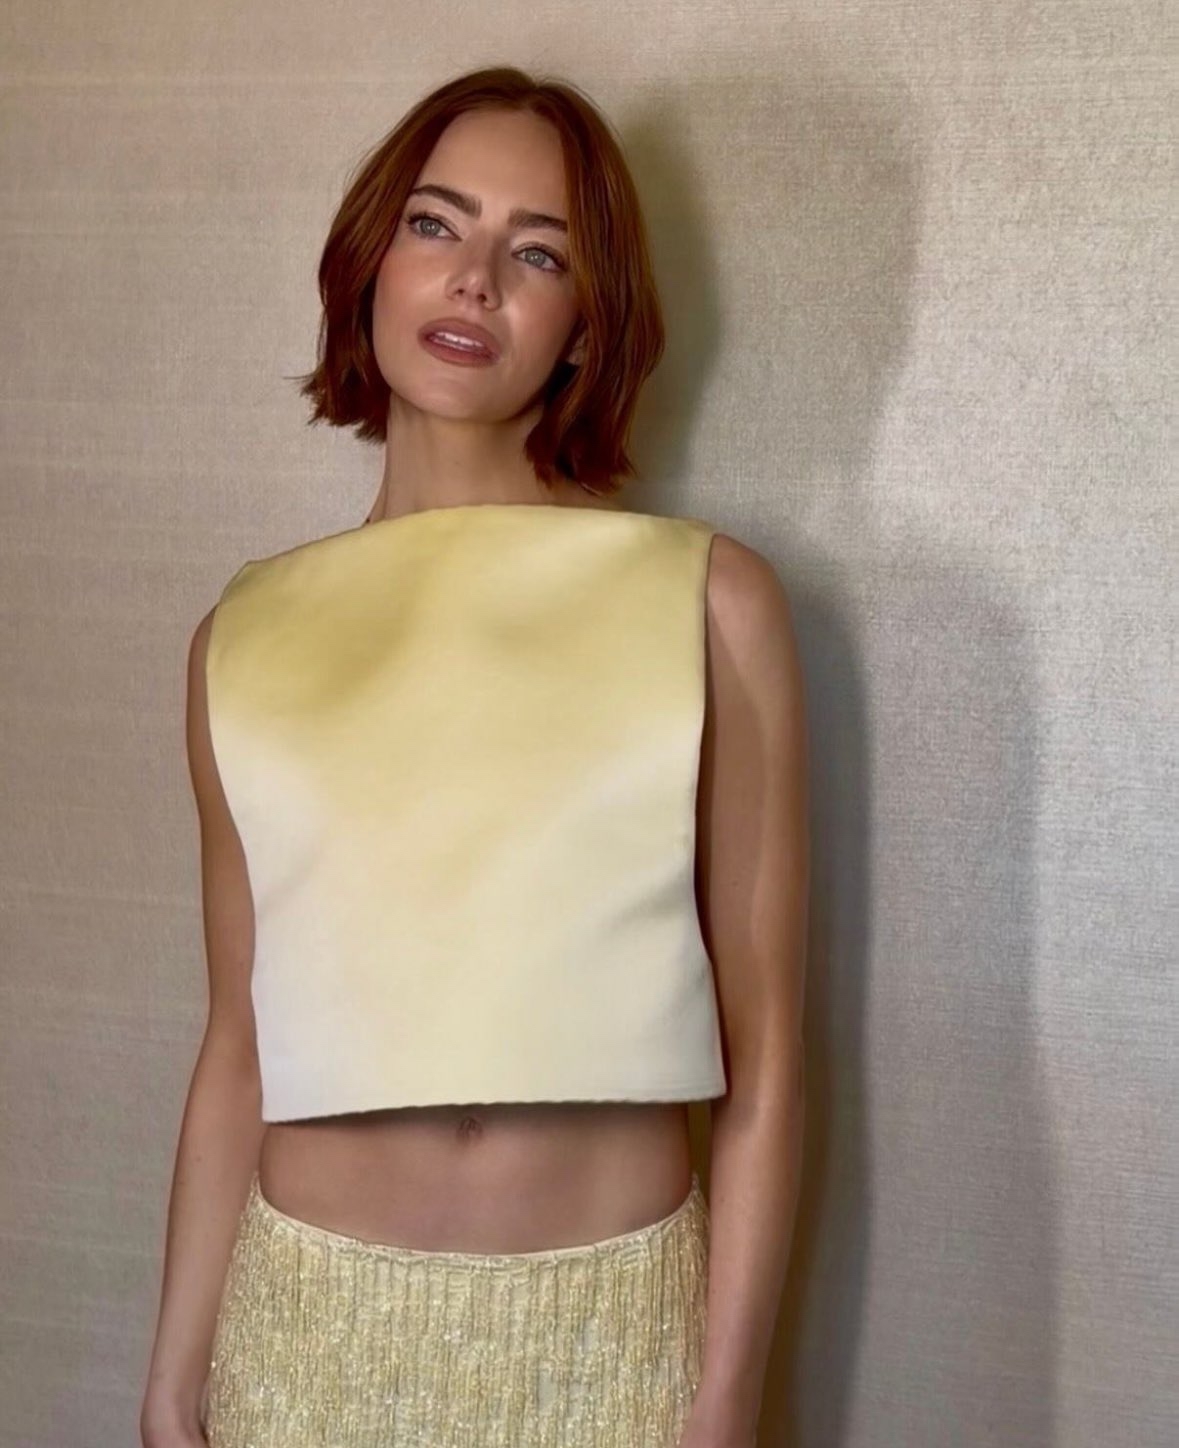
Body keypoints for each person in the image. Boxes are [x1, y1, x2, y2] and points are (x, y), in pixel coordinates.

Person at [140, 65, 809, 1448]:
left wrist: (727, 1398)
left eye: (538, 252)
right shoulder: (239, 637)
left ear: (585, 324)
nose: (476, 280)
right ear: (371, 263)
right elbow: (239, 1046)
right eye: (436, 226)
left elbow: (772, 1055)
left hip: (612, 1346)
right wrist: (171, 1385)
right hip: (303, 1340)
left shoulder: (708, 603)